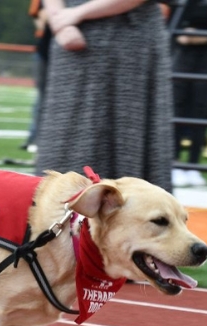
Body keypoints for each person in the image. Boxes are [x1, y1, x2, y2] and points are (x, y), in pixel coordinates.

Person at [36, 0, 174, 192]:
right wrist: (61, 20)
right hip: (71, 37)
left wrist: (75, 15)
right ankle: (58, 215)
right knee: (65, 141)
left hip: (128, 38)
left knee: (125, 143)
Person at [170, 5, 207, 188]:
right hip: (180, 60)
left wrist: (199, 38)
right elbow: (172, 33)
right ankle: (175, 163)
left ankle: (194, 166)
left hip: (206, 63)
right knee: (177, 112)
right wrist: (185, 37)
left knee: (201, 113)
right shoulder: (179, 3)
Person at [20, 0, 52, 154]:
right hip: (47, 50)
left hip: (68, 52)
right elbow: (41, 19)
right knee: (43, 98)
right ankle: (36, 139)